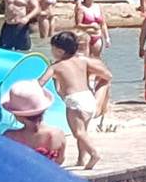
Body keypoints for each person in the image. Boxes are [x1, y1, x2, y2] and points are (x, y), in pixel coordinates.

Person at [38, 31, 111, 170]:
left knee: (78, 132)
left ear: (59, 51)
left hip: (74, 101)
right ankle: (81, 159)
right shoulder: (82, 61)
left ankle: (94, 154)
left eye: (52, 48)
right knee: (83, 132)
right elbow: (106, 74)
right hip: (88, 97)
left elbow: (41, 82)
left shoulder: (55, 66)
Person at [0, 81, 67, 165]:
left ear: (17, 115)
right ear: (44, 110)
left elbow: (3, 162)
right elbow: (60, 161)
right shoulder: (57, 134)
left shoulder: (9, 136)